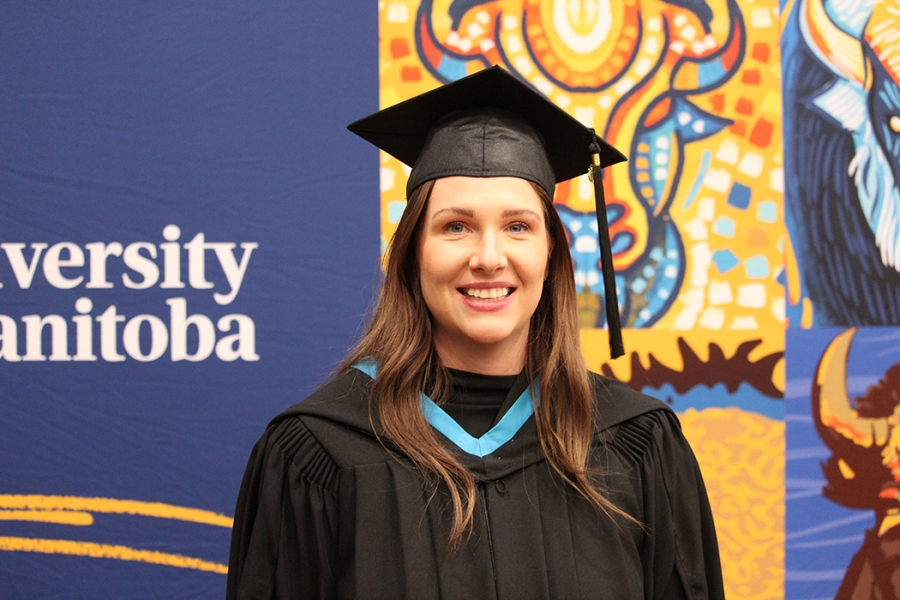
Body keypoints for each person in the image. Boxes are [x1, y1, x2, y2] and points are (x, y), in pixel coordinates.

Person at [227, 66, 724, 599]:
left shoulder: (638, 447)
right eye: (455, 226)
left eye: (518, 226)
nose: (489, 258)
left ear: (551, 253)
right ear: (413, 252)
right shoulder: (318, 453)